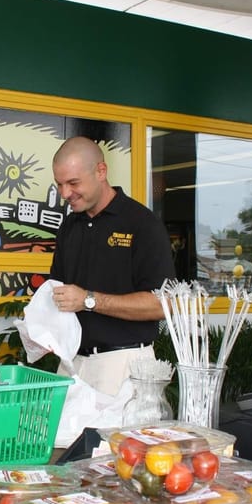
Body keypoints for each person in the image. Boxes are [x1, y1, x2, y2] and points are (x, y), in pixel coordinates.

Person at [49, 136, 175, 396]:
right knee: (61, 438)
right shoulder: (70, 226)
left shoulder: (141, 223)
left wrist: (89, 300)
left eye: (73, 183)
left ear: (101, 171)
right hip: (73, 365)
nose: (65, 194)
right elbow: (59, 292)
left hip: (123, 365)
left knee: (114, 439)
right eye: (59, 184)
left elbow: (162, 304)